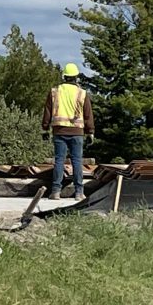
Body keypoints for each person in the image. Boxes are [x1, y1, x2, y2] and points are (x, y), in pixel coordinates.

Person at [41, 62, 94, 201]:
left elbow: (47, 111)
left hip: (59, 131)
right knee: (77, 161)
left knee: (59, 161)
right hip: (77, 132)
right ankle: (79, 193)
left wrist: (45, 129)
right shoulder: (82, 93)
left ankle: (56, 192)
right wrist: (90, 132)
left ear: (64, 76)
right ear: (76, 77)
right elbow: (88, 114)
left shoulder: (55, 92)